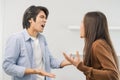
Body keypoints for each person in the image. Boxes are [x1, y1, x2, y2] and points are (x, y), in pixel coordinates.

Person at [2, 5, 71, 80]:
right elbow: (7, 66)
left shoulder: (42, 39)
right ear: (30, 19)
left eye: (45, 18)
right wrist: (34, 71)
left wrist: (69, 62)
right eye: (42, 17)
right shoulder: (16, 39)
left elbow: (50, 61)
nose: (45, 20)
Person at [63, 11, 120, 80]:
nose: (80, 26)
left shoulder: (98, 44)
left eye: (82, 22)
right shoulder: (98, 43)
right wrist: (83, 64)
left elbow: (113, 75)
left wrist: (82, 67)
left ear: (90, 26)